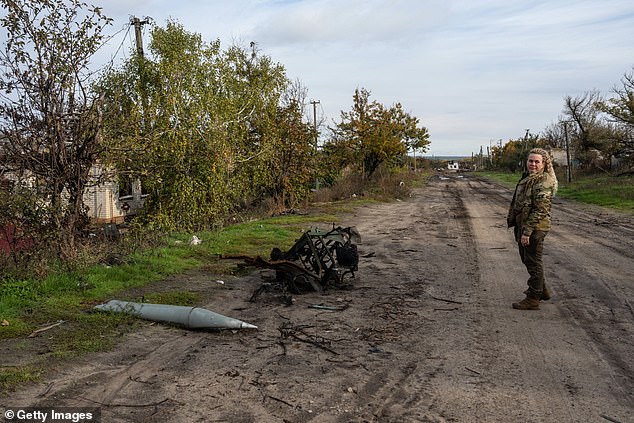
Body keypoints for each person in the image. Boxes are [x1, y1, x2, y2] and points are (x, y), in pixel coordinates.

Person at [507, 148, 558, 310]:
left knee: (533, 262)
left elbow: (541, 210)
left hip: (535, 228)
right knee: (527, 259)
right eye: (531, 161)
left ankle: (533, 298)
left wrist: (527, 231)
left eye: (537, 161)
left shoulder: (543, 182)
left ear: (544, 164)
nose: (533, 164)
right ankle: (542, 290)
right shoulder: (529, 178)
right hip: (523, 225)